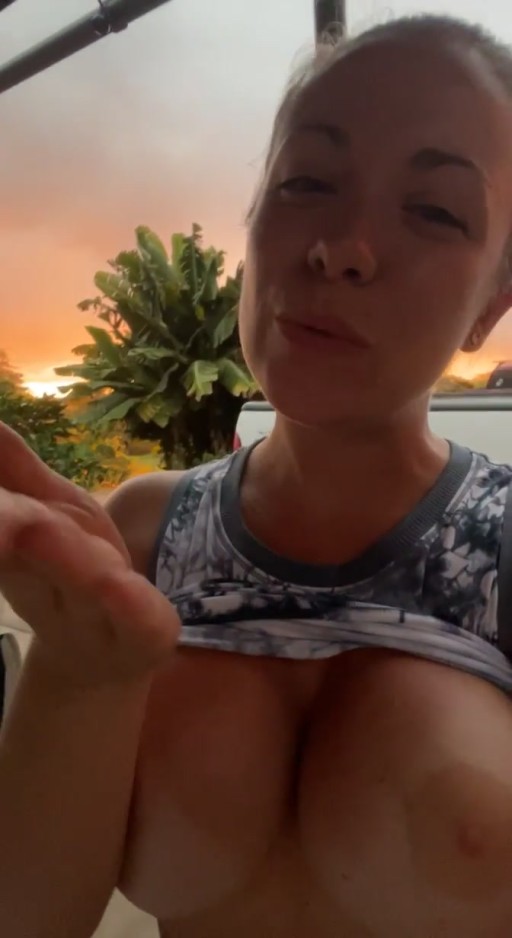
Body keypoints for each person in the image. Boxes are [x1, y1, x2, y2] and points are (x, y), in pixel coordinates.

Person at [2, 12, 512, 938]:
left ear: (492, 306)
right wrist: (81, 673)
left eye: (436, 211)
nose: (342, 247)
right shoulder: (138, 537)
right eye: (306, 181)